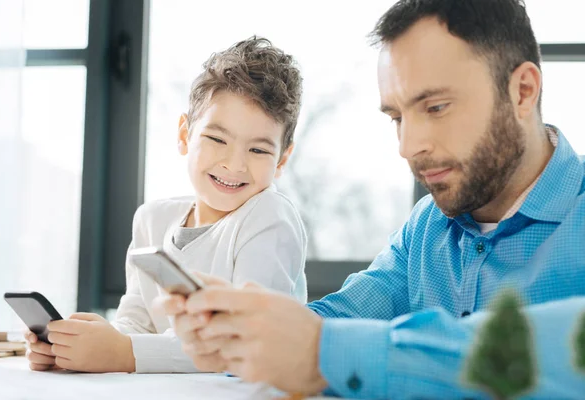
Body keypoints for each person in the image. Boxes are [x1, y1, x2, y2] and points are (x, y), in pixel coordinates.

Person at [159, 0, 585, 397]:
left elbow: (564, 349)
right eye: (397, 117)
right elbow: (338, 322)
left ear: (522, 91)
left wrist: (322, 353)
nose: (408, 145)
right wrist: (241, 332)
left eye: (435, 107)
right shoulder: (426, 228)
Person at [24, 36, 308, 374]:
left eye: (258, 150)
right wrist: (81, 344)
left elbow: (240, 340)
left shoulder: (269, 217)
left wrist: (124, 353)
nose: (235, 165)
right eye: (217, 139)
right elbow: (137, 321)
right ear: (185, 136)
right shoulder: (152, 219)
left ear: (282, 159)